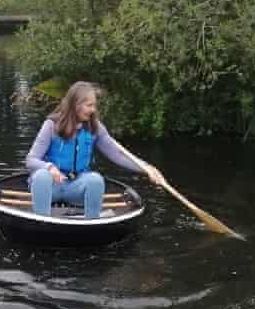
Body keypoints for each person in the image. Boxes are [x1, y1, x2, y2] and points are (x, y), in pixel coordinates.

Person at [25, 81, 165, 219]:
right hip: (51, 187)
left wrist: (147, 168)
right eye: (89, 105)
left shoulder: (94, 128)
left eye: (94, 106)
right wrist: (49, 167)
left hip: (76, 186)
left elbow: (118, 155)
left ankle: (91, 223)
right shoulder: (51, 125)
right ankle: (41, 221)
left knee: (96, 180)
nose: (93, 110)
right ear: (76, 105)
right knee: (41, 176)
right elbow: (31, 160)